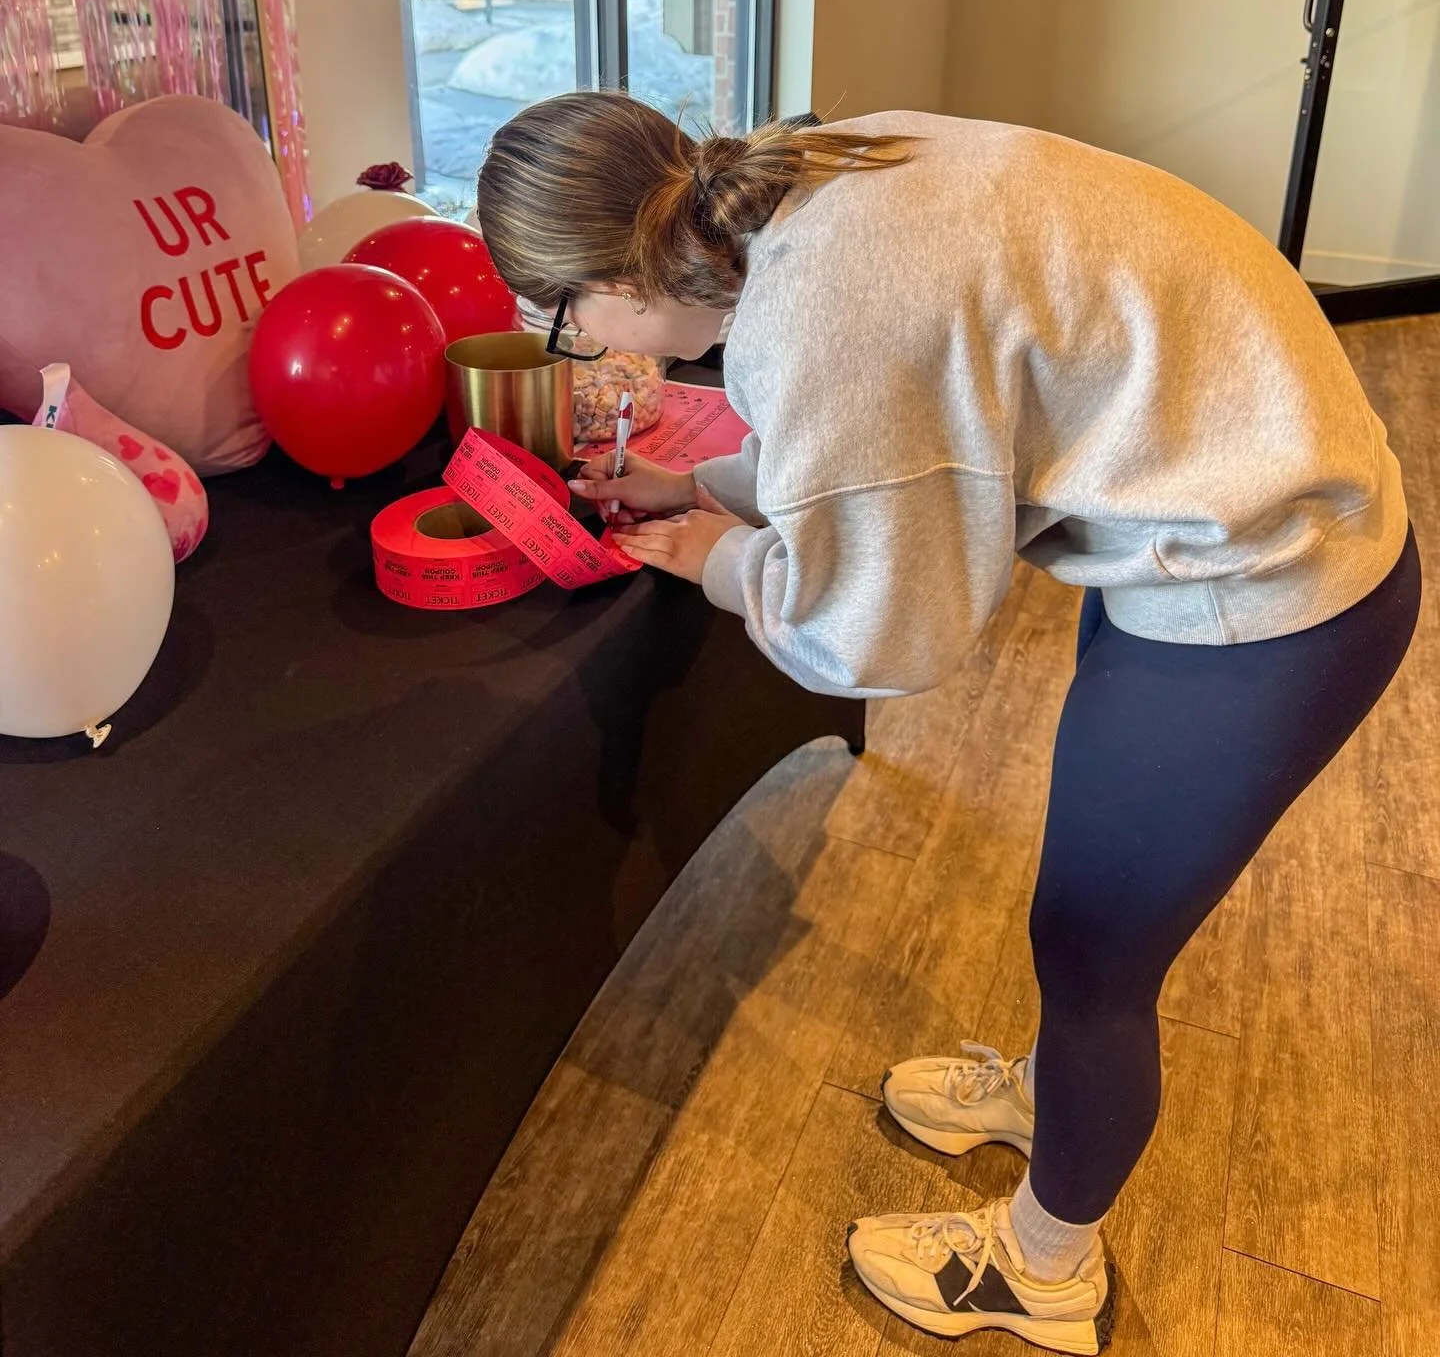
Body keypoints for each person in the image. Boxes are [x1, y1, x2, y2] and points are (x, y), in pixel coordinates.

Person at [474, 93, 1419, 1355]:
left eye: (564, 321)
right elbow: (911, 418)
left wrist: (718, 558)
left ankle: (1043, 1272)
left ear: (608, 276)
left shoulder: (817, 314)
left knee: (1093, 955)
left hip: (1268, 586)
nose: (582, 348)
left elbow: (876, 639)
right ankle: (1050, 1101)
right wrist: (699, 483)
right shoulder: (816, 172)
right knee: (1086, 931)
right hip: (1221, 500)